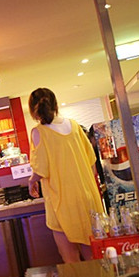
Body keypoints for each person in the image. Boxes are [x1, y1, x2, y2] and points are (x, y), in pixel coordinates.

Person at [27, 88, 104, 262]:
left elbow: (41, 169)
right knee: (94, 255)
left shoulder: (38, 132)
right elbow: (92, 163)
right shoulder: (75, 126)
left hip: (61, 200)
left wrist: (31, 182)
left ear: (33, 111)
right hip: (87, 197)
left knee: (70, 258)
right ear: (55, 104)